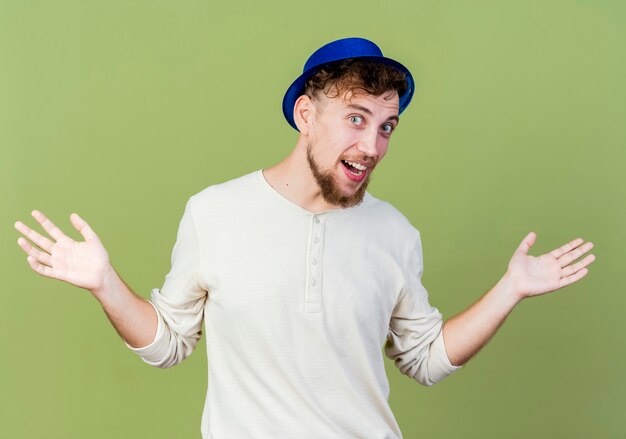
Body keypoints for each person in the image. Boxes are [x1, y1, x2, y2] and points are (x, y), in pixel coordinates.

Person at [14, 37, 595, 438]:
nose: (373, 146)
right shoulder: (214, 212)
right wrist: (104, 283)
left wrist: (511, 289)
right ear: (305, 114)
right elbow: (169, 342)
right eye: (356, 118)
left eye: (386, 126)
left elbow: (424, 357)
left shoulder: (394, 233)